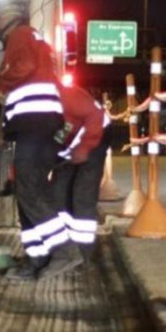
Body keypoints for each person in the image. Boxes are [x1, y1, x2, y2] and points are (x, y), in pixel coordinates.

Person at [0, 0, 67, 281]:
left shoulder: (20, 35)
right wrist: (6, 132)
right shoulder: (34, 40)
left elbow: (23, 67)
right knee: (28, 193)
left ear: (6, 20)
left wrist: (2, 83)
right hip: (38, 126)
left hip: (36, 126)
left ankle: (62, 252)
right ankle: (37, 257)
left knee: (31, 193)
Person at [49, 84, 111, 273]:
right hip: (70, 142)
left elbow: (95, 116)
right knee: (59, 193)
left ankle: (84, 255)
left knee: (82, 195)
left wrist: (84, 148)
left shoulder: (63, 97)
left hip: (96, 137)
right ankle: (66, 250)